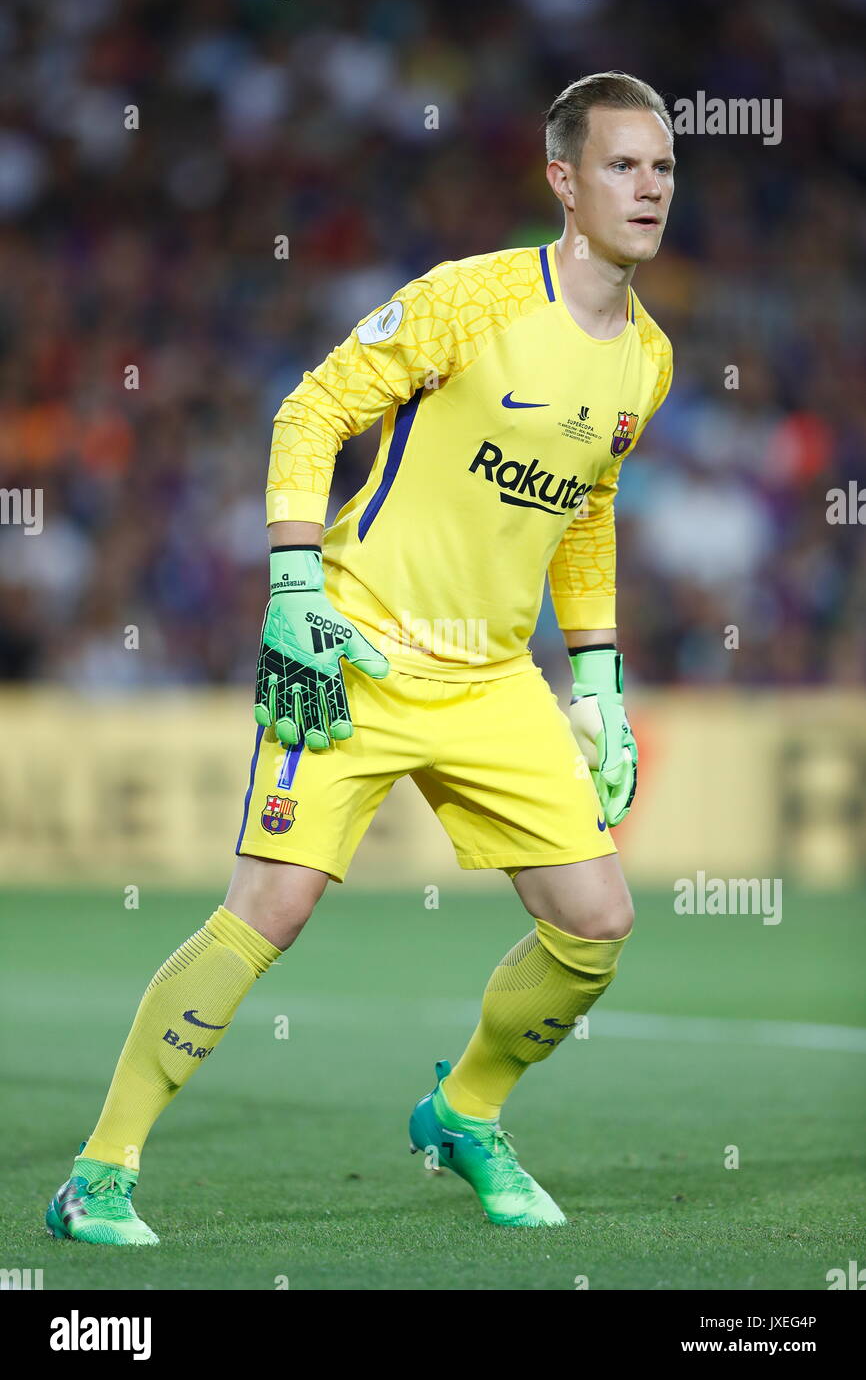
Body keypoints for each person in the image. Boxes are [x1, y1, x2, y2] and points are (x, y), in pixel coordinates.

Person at [47, 70, 675, 1243]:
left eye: (662, 168)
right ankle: (98, 1170)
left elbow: (583, 514)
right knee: (267, 912)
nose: (647, 188)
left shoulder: (647, 358)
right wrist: (293, 587)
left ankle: (462, 1112)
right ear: (563, 180)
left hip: (491, 676)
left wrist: (598, 678)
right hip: (359, 648)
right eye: (621, 165)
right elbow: (308, 411)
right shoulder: (468, 298)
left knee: (594, 923)